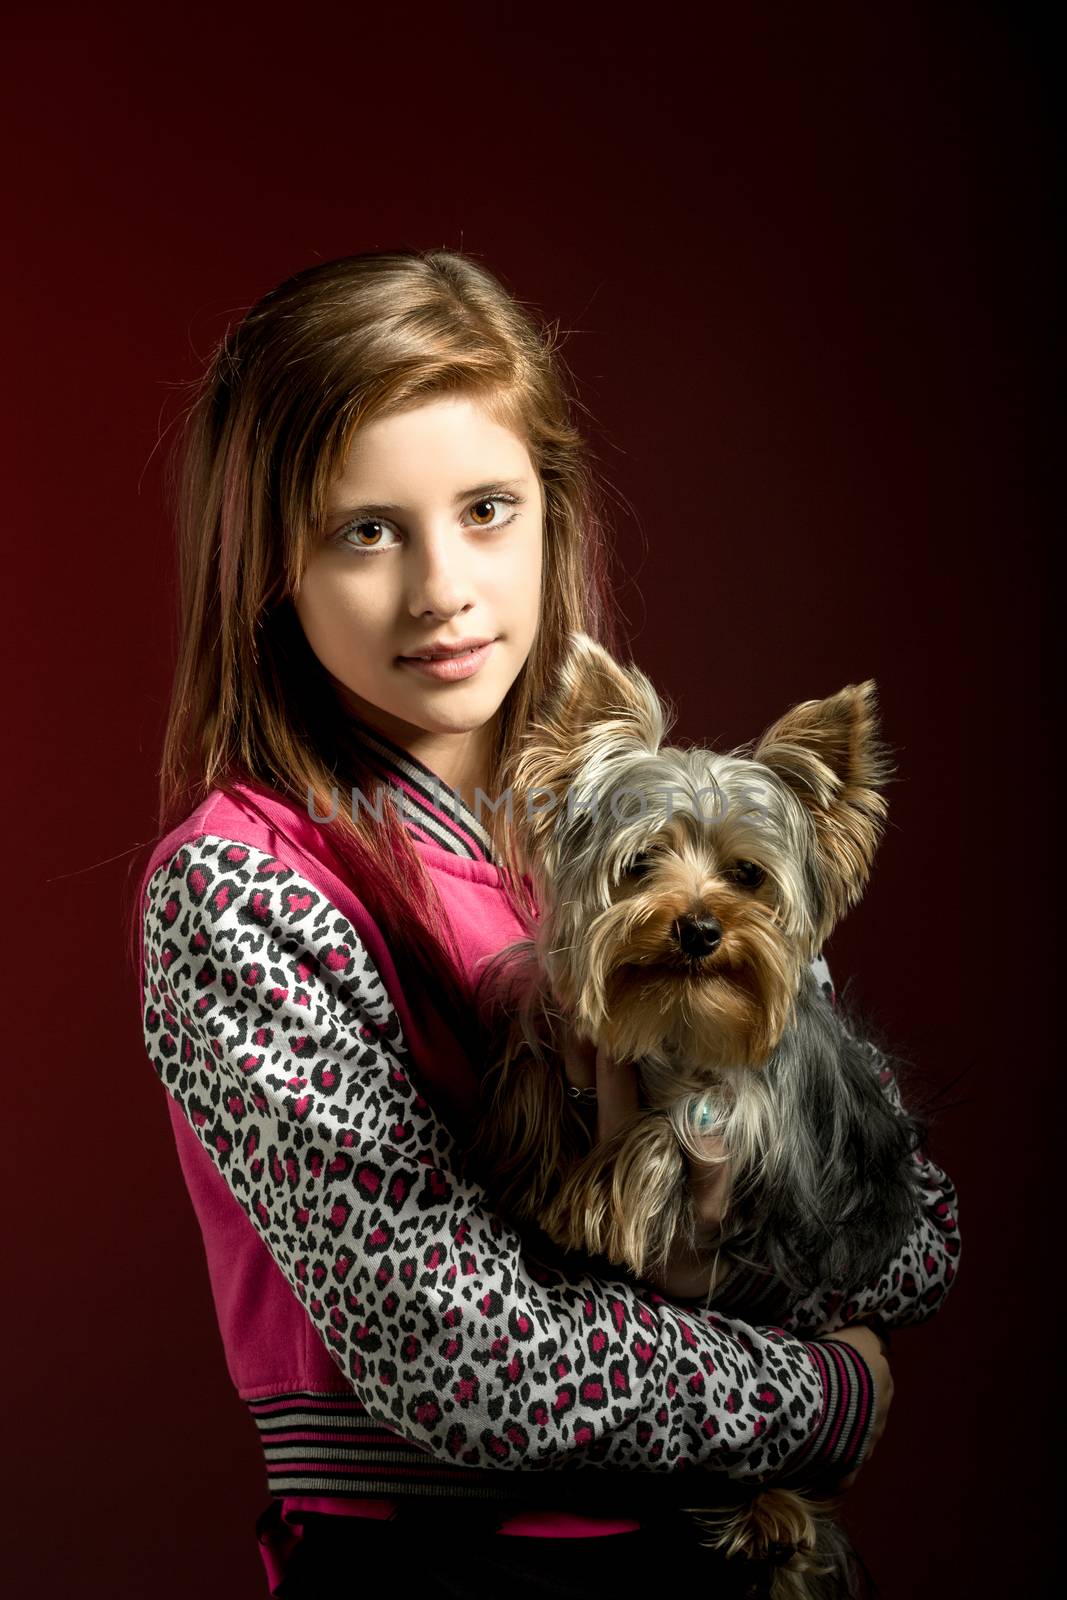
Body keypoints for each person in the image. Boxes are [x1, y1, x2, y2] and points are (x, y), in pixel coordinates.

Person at [129, 249, 961, 1599]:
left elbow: (916, 1228)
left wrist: (714, 1236)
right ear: (267, 563)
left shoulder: (614, 845)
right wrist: (825, 1398)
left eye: (487, 510)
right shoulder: (241, 886)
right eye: (365, 529)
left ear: (552, 517)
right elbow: (465, 1364)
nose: (442, 589)